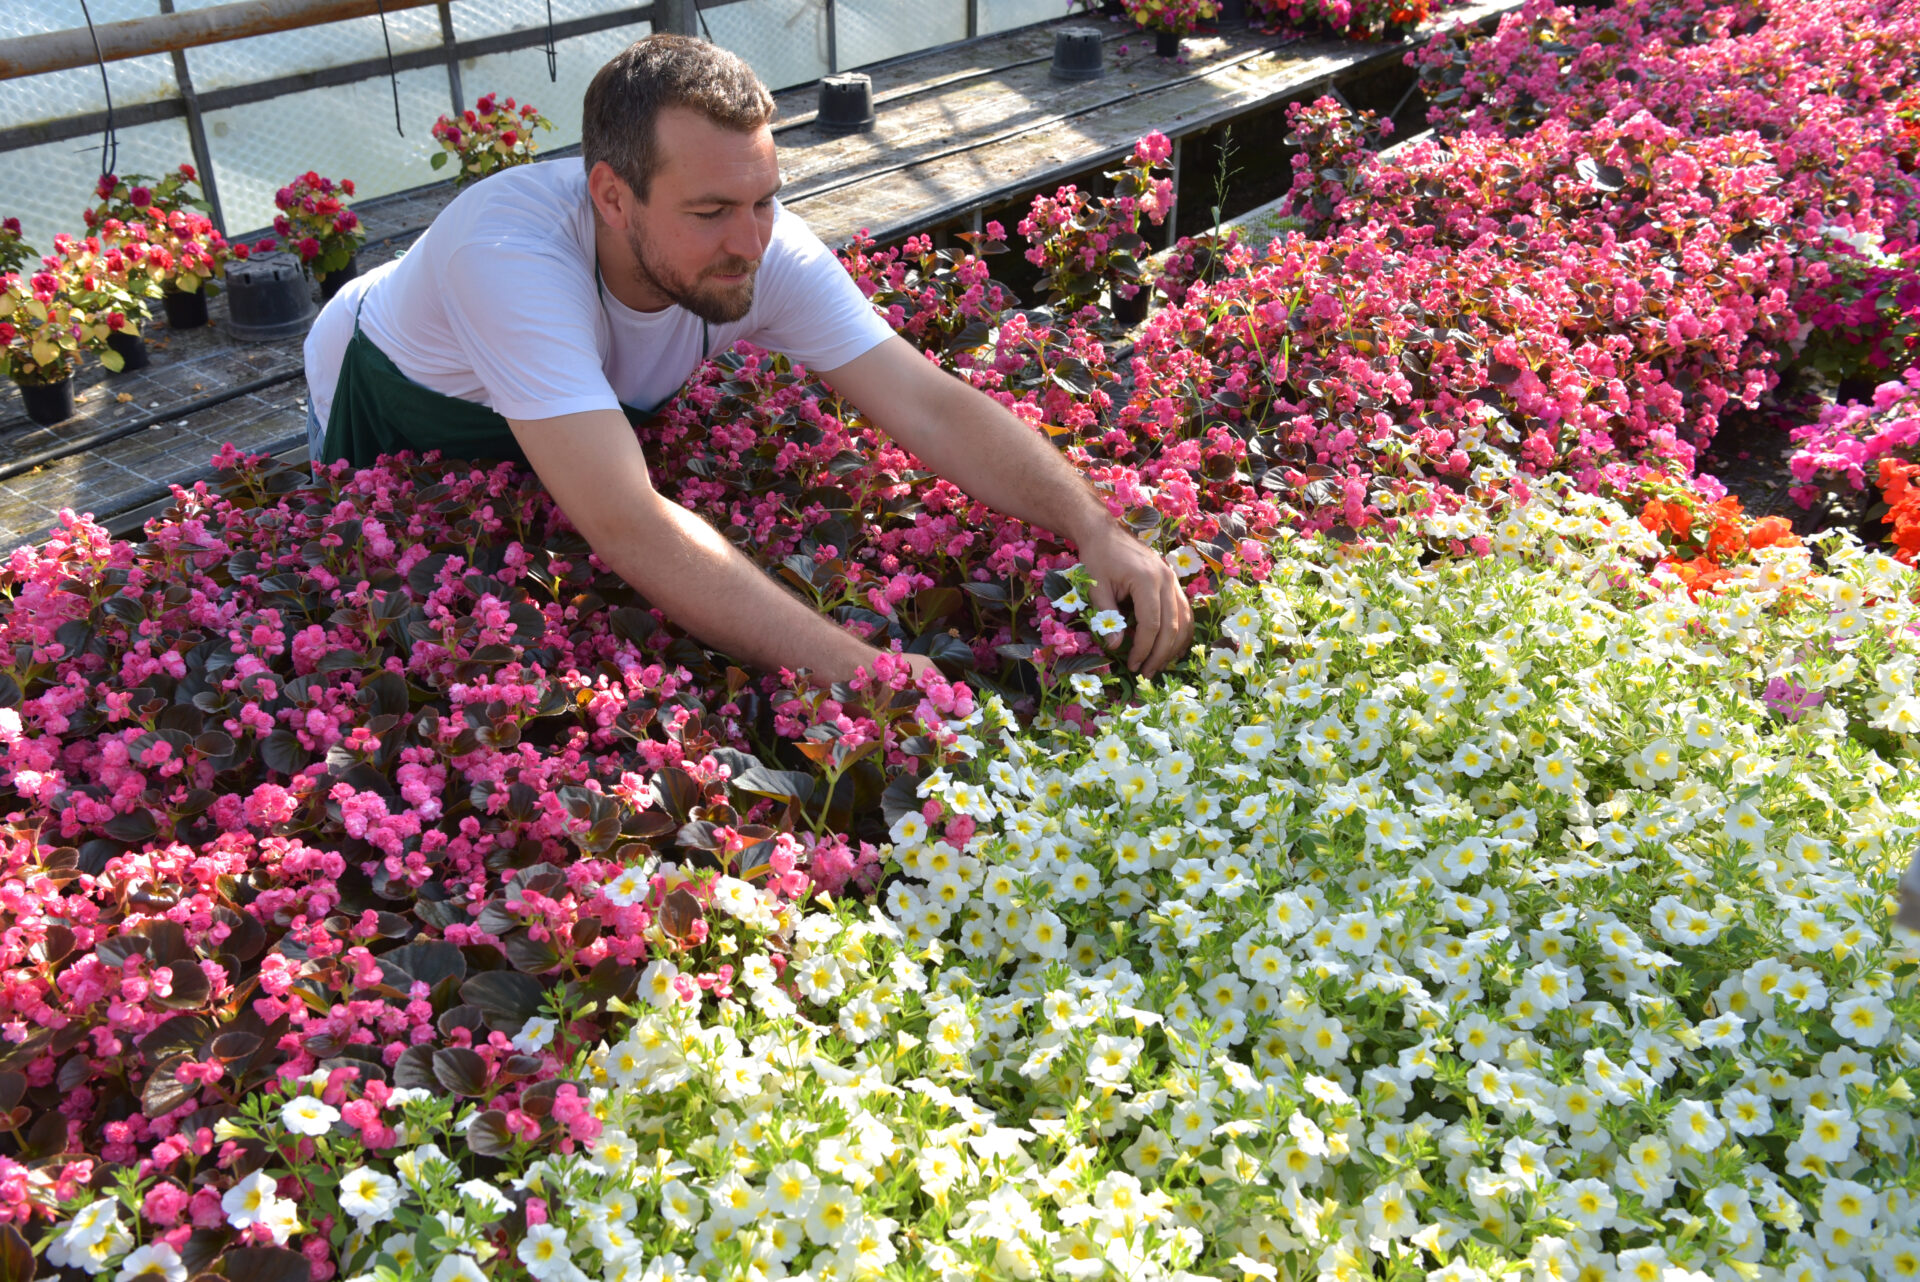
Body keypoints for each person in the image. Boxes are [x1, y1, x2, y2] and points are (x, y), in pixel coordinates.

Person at [304, 34, 1191, 684]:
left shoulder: (764, 250)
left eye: (765, 198)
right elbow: (625, 521)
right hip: (399, 396)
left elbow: (927, 404)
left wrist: (1095, 527)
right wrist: (858, 670)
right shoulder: (508, 261)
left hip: (566, 396)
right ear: (612, 195)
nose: (748, 242)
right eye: (709, 211)